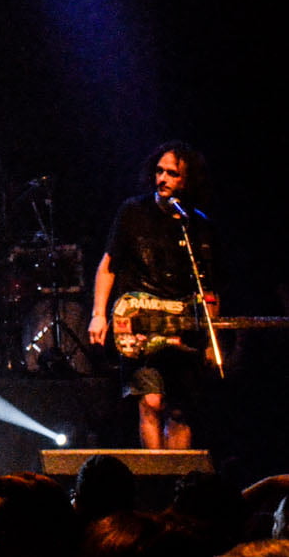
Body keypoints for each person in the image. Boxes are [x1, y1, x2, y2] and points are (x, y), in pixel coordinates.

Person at [88, 141, 216, 449]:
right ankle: (155, 474)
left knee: (180, 409)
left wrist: (211, 338)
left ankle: (178, 476)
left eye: (172, 173)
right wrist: (98, 314)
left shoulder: (197, 224)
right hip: (140, 323)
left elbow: (208, 287)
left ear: (187, 180)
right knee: (151, 401)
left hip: (183, 327)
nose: (163, 179)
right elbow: (108, 266)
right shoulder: (133, 212)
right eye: (159, 171)